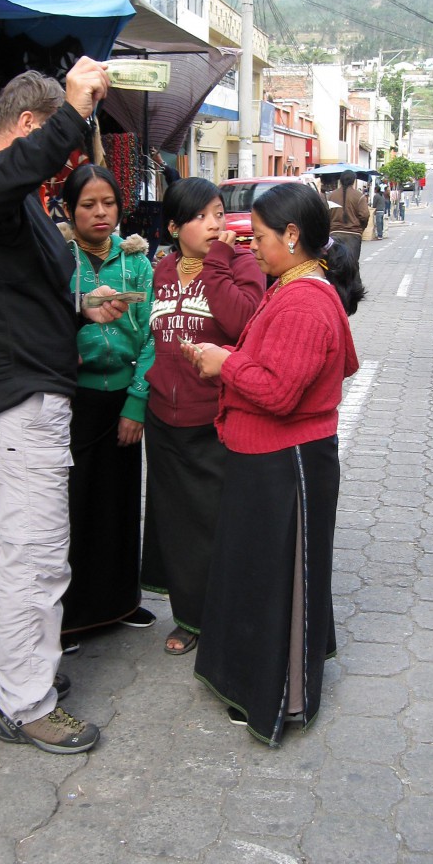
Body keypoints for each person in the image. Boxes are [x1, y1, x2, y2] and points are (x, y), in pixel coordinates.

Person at [0, 59, 128, 755]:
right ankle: (28, 701)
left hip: (22, 393)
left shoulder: (6, 202)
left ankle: (3, 671)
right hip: (20, 402)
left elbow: (15, 294)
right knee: (39, 557)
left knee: (16, 550)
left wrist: (81, 306)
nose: (62, 160)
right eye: (54, 140)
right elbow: (10, 172)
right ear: (28, 127)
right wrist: (76, 112)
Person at [181, 182, 361, 746]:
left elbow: (281, 394)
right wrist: (239, 361)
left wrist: (224, 364)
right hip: (267, 456)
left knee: (275, 578)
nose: (251, 246)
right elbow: (339, 363)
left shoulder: (306, 299)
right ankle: (256, 678)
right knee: (259, 572)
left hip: (289, 462)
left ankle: (278, 694)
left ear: (292, 235)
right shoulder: (297, 287)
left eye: (258, 237)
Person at [141, 177, 266, 655]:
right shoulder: (162, 270)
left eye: (218, 212)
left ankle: (224, 612)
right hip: (163, 419)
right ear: (174, 227)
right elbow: (150, 340)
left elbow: (241, 323)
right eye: (201, 216)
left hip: (214, 420)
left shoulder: (244, 264)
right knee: (175, 524)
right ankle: (189, 617)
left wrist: (217, 263)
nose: (215, 223)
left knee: (216, 523)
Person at [59, 164, 156, 653]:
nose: (100, 214)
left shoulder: (136, 261)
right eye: (88, 205)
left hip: (122, 402)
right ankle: (72, 617)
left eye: (109, 204)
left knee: (120, 503)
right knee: (74, 508)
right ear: (68, 210)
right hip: (72, 404)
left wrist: (136, 404)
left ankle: (119, 602)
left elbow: (154, 336)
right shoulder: (56, 258)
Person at [327, 169, 370, 260]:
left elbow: (326, 215)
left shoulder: (331, 196)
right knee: (353, 265)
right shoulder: (359, 196)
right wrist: (361, 228)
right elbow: (365, 215)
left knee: (335, 265)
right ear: (354, 181)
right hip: (353, 235)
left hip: (334, 234)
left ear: (340, 180)